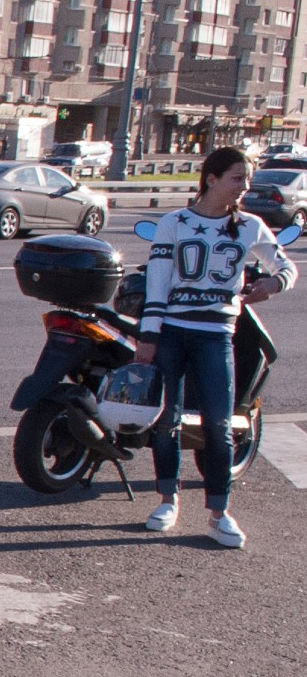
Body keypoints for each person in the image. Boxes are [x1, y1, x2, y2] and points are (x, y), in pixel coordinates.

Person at [135, 145, 294, 548]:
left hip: (216, 335)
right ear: (211, 179)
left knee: (219, 426)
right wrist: (149, 338)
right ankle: (167, 500)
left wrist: (272, 284)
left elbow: (286, 268)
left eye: (247, 179)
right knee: (165, 420)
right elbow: (157, 284)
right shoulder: (174, 223)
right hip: (172, 332)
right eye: (237, 178)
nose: (245, 187)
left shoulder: (252, 226)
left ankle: (219, 513)